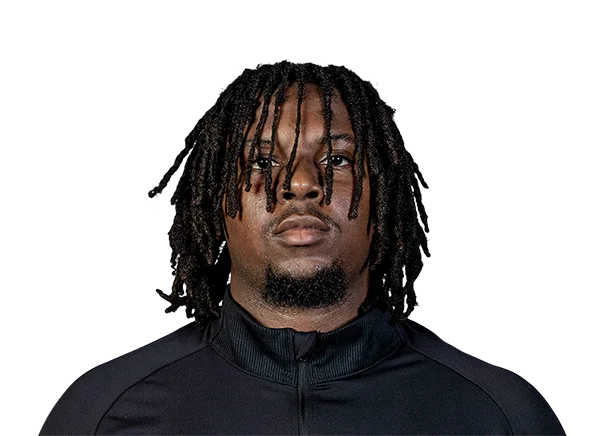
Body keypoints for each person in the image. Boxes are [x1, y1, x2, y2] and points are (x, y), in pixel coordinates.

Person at [39, 61, 565, 435]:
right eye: (262, 161)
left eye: (336, 160)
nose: (300, 183)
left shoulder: (503, 415)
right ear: (215, 199)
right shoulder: (99, 415)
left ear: (384, 195)